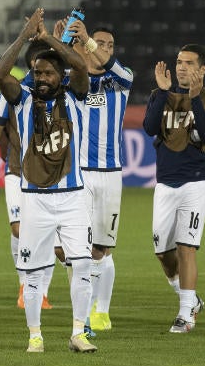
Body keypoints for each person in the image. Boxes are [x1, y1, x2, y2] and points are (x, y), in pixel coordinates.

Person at [0, 8, 98, 353]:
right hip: (34, 198)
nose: (40, 76)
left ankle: (78, 333)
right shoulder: (22, 100)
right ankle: (35, 335)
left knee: (82, 263)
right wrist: (26, 36)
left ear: (60, 75)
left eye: (48, 71)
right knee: (34, 272)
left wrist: (48, 38)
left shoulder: (76, 97)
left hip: (72, 198)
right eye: (37, 71)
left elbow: (81, 66)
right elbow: (0, 72)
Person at [143, 43, 205, 333]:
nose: (181, 67)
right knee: (163, 254)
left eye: (189, 63)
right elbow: (150, 128)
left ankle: (185, 314)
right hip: (165, 182)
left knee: (186, 247)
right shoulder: (159, 95)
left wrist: (193, 99)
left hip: (195, 181)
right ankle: (190, 299)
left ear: (202, 70)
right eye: (179, 61)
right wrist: (164, 92)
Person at [0, 40, 55, 310]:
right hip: (16, 169)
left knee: (49, 233)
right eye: (38, 67)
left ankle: (43, 291)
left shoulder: (59, 91)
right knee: (18, 228)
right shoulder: (13, 91)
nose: (42, 72)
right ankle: (24, 284)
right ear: (31, 66)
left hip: (49, 172)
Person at [71, 25, 134, 332]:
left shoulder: (121, 80)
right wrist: (61, 42)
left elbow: (119, 70)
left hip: (110, 174)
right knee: (76, 249)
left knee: (101, 248)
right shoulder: (74, 82)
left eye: (109, 44)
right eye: (99, 43)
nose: (104, 48)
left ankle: (101, 311)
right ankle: (83, 314)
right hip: (80, 173)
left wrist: (87, 41)